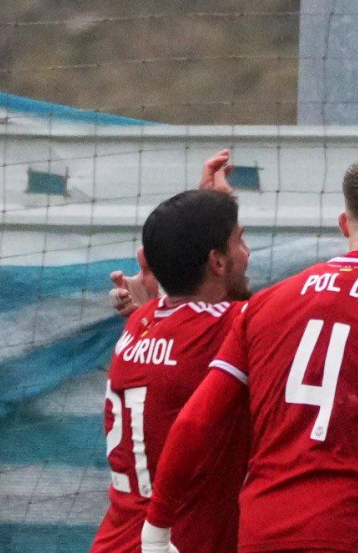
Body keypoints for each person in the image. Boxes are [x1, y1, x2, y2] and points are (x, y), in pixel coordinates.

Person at [139, 149, 358, 553]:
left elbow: (195, 422)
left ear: (344, 224)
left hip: (263, 533)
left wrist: (156, 528)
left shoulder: (265, 305)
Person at [90, 189, 251, 553]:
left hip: (116, 542)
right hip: (175, 544)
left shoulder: (142, 320)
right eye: (240, 241)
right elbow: (304, 304)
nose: (248, 253)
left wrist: (205, 203)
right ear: (218, 262)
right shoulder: (228, 326)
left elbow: (184, 254)